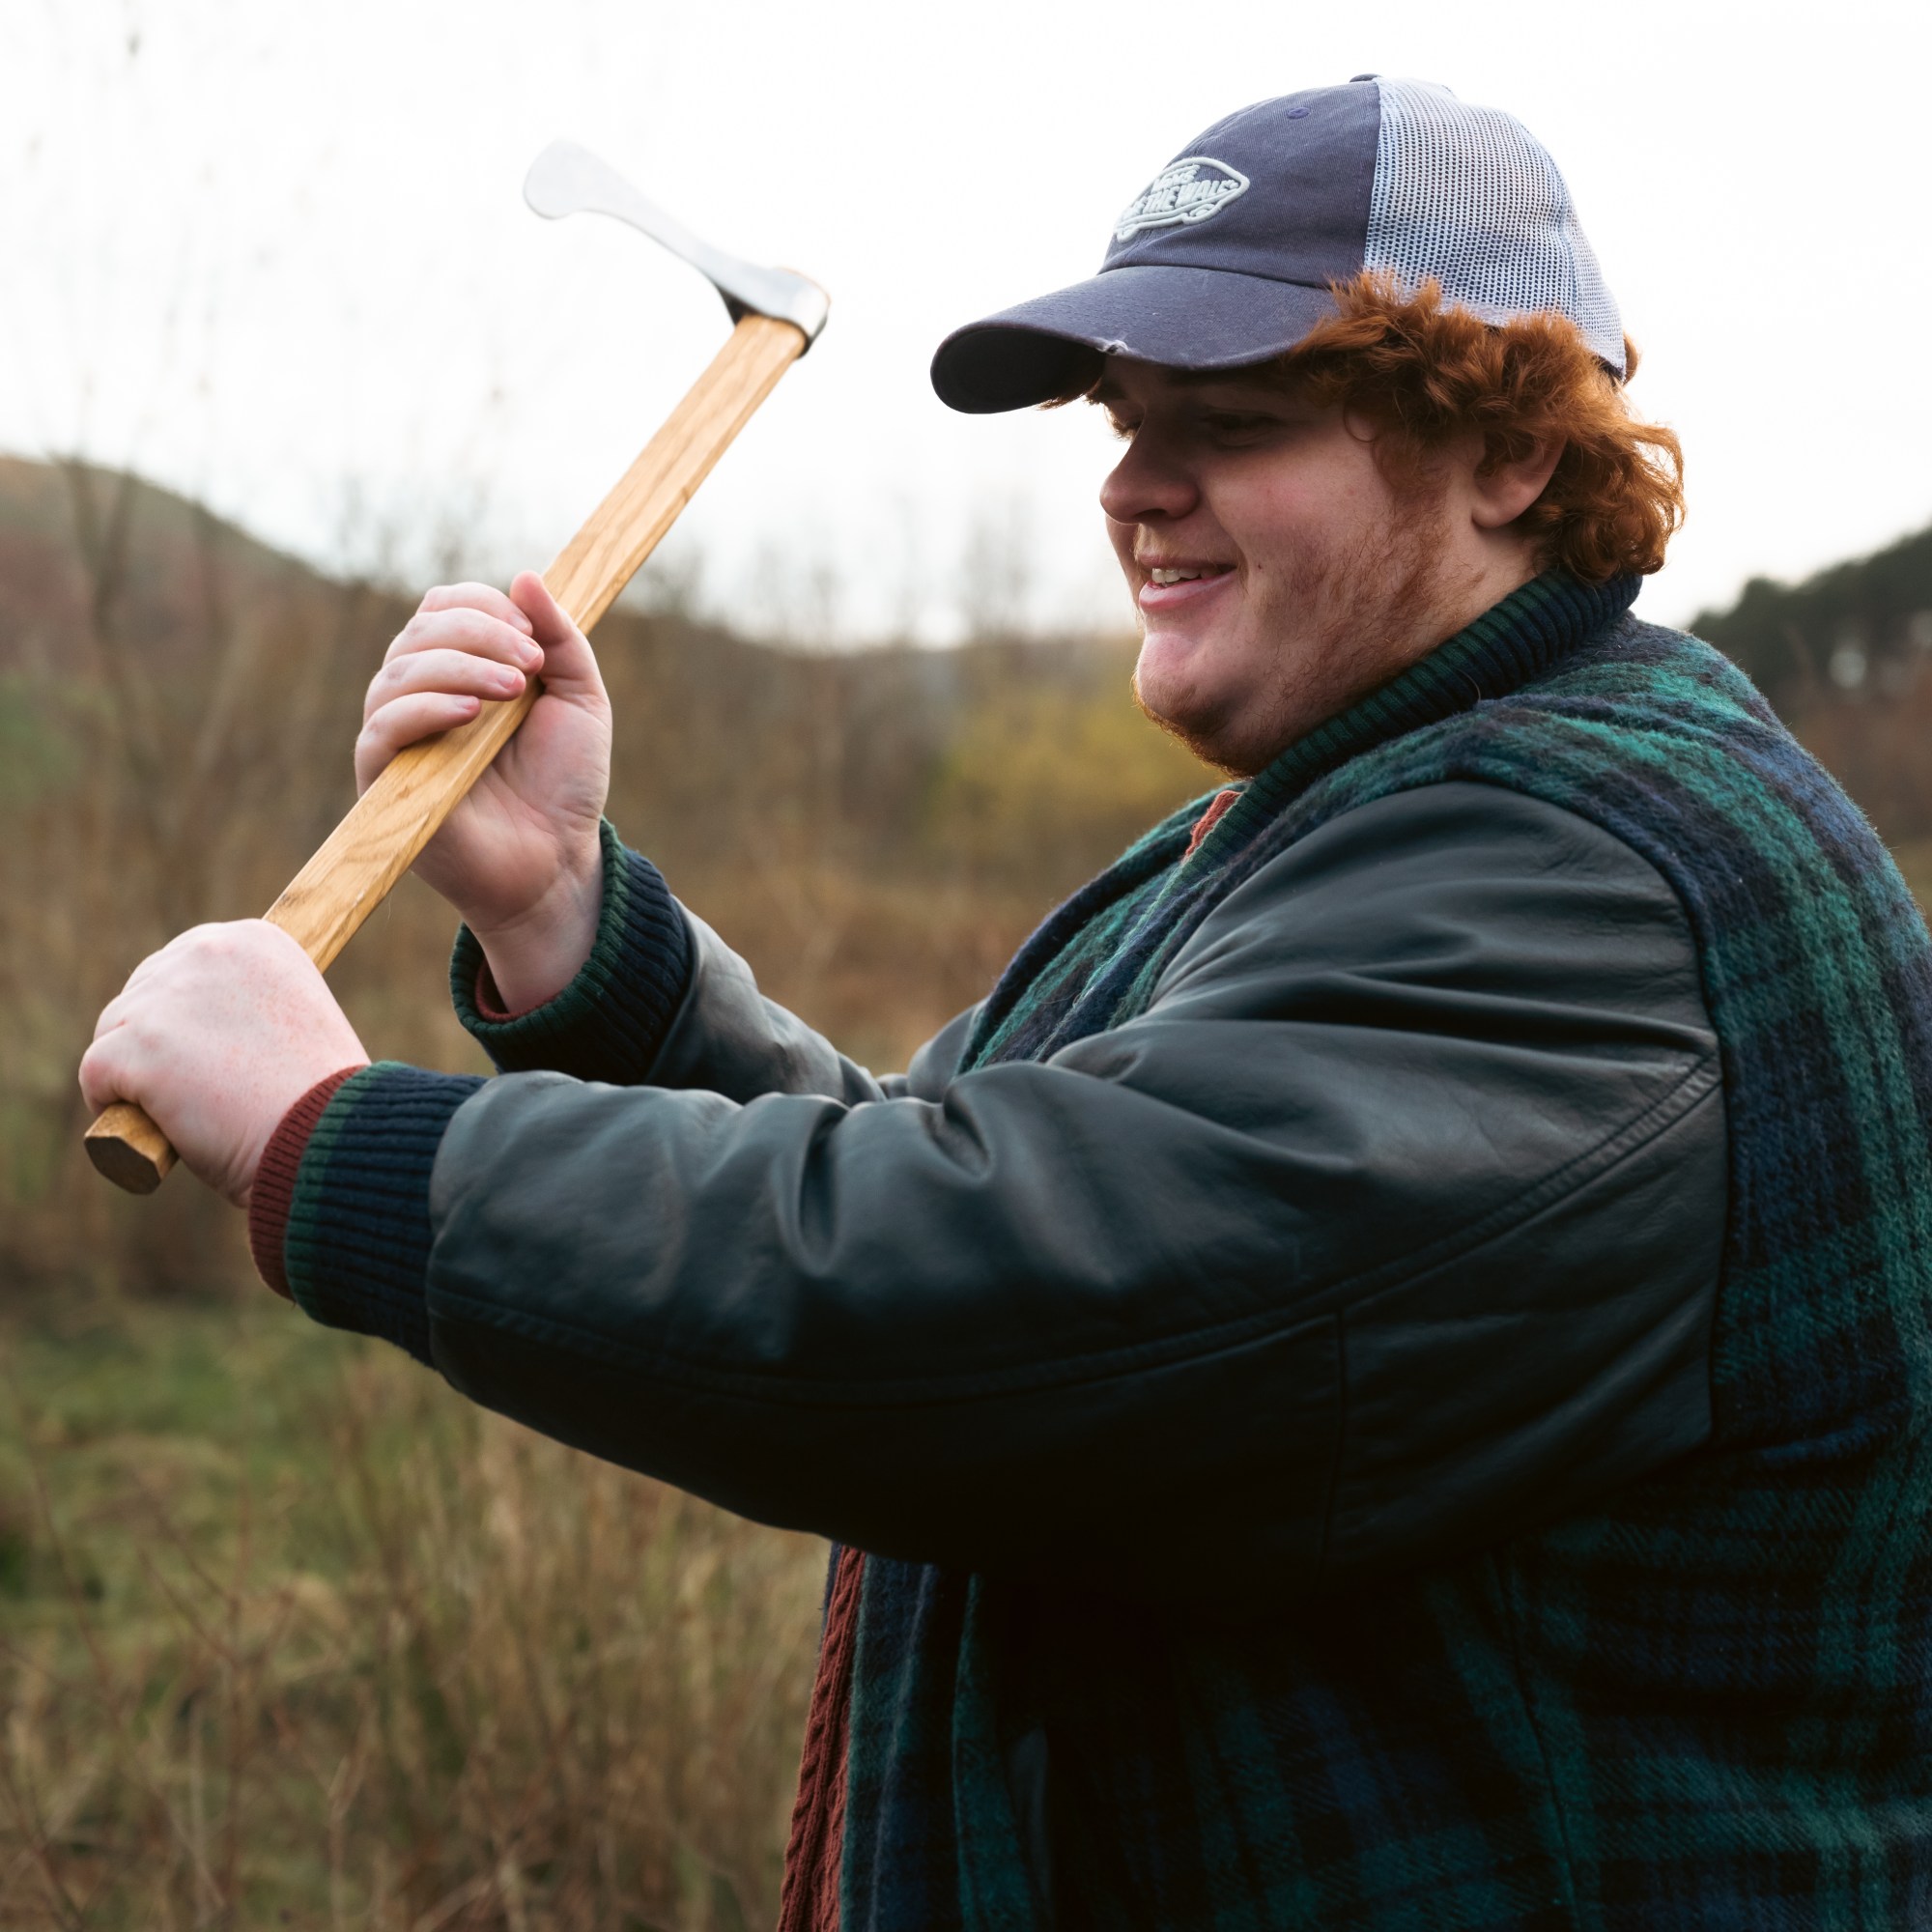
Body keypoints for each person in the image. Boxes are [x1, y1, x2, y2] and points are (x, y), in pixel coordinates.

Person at [81, 76, 1932, 1931]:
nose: (1132, 487)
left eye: (1235, 419)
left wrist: (338, 1140)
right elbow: (955, 1164)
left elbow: (992, 1304)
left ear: (1511, 455)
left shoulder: (1579, 883)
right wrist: (573, 924)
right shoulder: (1362, 808)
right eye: (1131, 420)